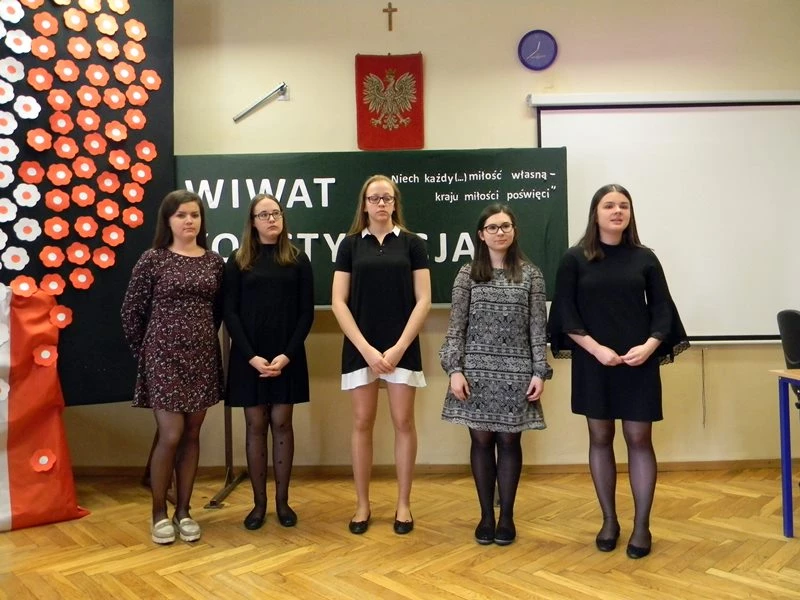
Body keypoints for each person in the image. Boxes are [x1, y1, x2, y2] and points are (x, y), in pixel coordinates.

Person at [547, 183, 689, 559]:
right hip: (593, 360)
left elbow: (663, 309)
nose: (617, 211)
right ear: (595, 213)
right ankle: (609, 521)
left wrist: (650, 346)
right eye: (609, 205)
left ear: (630, 213)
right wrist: (596, 349)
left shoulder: (645, 258)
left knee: (639, 439)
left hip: (638, 361)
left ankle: (642, 526)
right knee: (600, 437)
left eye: (623, 205)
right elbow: (565, 312)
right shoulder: (574, 258)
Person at [439, 204, 552, 546]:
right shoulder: (467, 274)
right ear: (481, 234)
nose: (499, 232)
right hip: (475, 374)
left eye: (505, 226)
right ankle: (486, 516)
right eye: (492, 227)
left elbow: (538, 329)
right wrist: (454, 370)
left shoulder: (531, 275)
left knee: (510, 442)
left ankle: (507, 517)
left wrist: (540, 372)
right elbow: (456, 328)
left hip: (517, 374)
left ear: (514, 231)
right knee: (481, 443)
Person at [121, 189, 224, 545]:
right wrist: (148, 354)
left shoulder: (214, 262)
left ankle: (184, 511)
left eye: (194, 214)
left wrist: (200, 339)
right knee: (170, 435)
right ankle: (158, 514)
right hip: (162, 358)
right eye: (181, 215)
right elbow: (131, 312)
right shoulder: (153, 259)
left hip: (202, 357)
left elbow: (218, 311)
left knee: (192, 434)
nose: (189, 221)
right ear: (168, 220)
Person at [331, 174, 431, 535]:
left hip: (402, 345)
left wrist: (399, 347)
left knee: (404, 422)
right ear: (364, 204)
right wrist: (367, 349)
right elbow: (338, 302)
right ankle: (362, 505)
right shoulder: (349, 246)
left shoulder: (413, 244)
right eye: (374, 198)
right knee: (362, 423)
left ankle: (403, 505)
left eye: (387, 198)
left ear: (395, 202)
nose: (381, 204)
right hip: (362, 347)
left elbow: (424, 300)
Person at [223, 193, 314, 531]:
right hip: (249, 357)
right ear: (252, 221)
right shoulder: (237, 261)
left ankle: (282, 501)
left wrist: (286, 355)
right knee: (255, 425)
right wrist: (251, 357)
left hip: (287, 355)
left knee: (282, 423)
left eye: (276, 213)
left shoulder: (298, 259)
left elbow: (306, 313)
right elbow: (229, 313)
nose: (271, 219)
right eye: (264, 215)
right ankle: (258, 504)